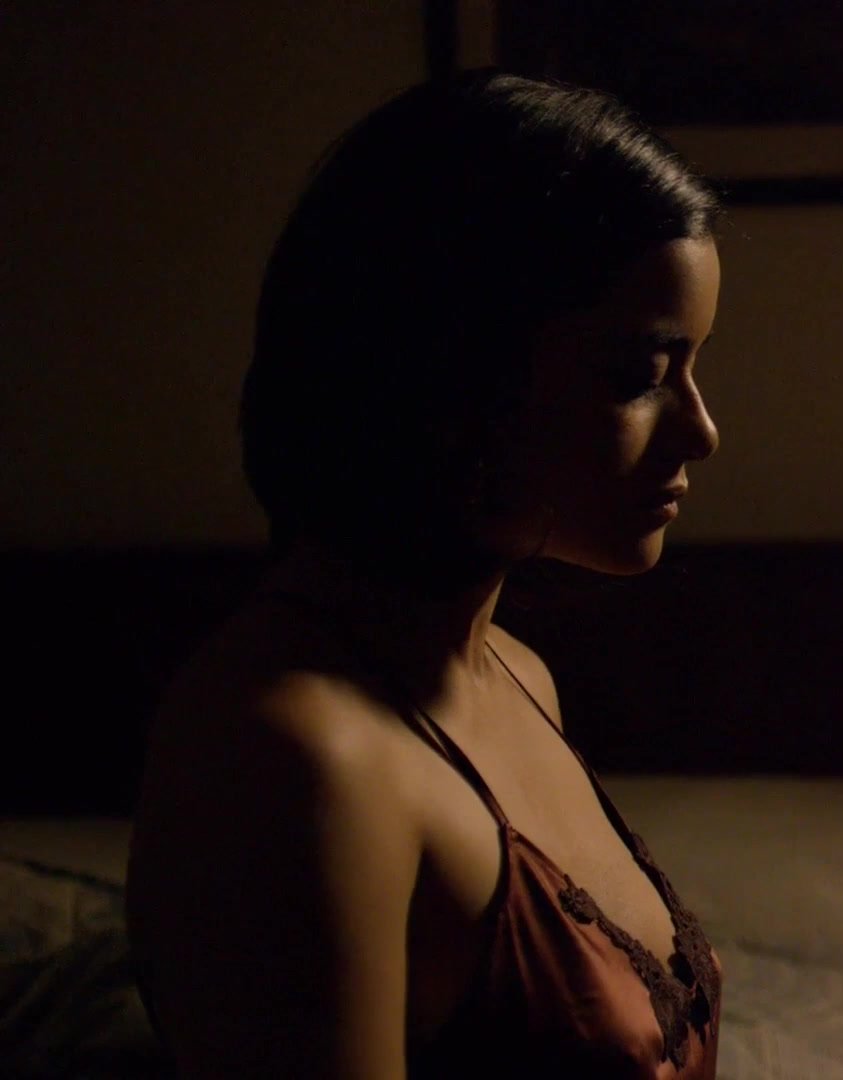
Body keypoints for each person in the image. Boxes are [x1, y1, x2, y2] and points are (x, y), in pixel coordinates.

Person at [126, 71, 725, 1078]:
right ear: (455, 368)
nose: (701, 432)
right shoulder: (292, 761)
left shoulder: (517, 677)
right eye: (642, 376)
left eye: (695, 369)